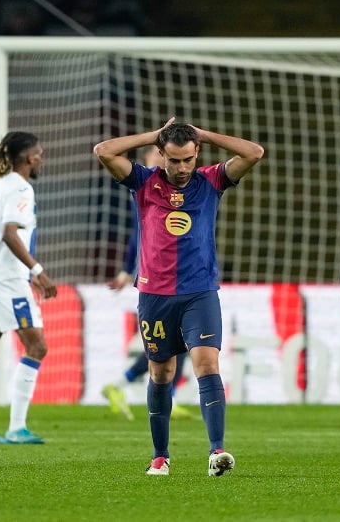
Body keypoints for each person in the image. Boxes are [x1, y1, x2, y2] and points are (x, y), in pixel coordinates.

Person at [94, 118, 264, 476]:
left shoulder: (212, 180)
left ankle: (216, 451)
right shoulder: (143, 182)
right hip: (154, 295)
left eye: (188, 159)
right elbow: (103, 151)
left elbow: (254, 152)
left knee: (206, 364)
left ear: (197, 153)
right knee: (161, 372)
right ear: (161, 154)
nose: (182, 168)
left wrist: (204, 133)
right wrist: (152, 133)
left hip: (199, 293)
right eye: (174, 160)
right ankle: (160, 455)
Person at [0, 131, 58, 445]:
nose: (41, 156)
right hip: (7, 279)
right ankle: (17, 427)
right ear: (29, 158)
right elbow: (9, 233)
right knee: (37, 346)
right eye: (39, 152)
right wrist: (37, 270)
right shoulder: (21, 188)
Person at [103, 146, 193, 421]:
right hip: (153, 278)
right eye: (159, 154)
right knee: (170, 343)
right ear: (148, 158)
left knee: (174, 343)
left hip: (167, 275)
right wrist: (127, 270)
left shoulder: (171, 189)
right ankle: (124, 385)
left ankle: (127, 387)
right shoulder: (145, 186)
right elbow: (138, 233)